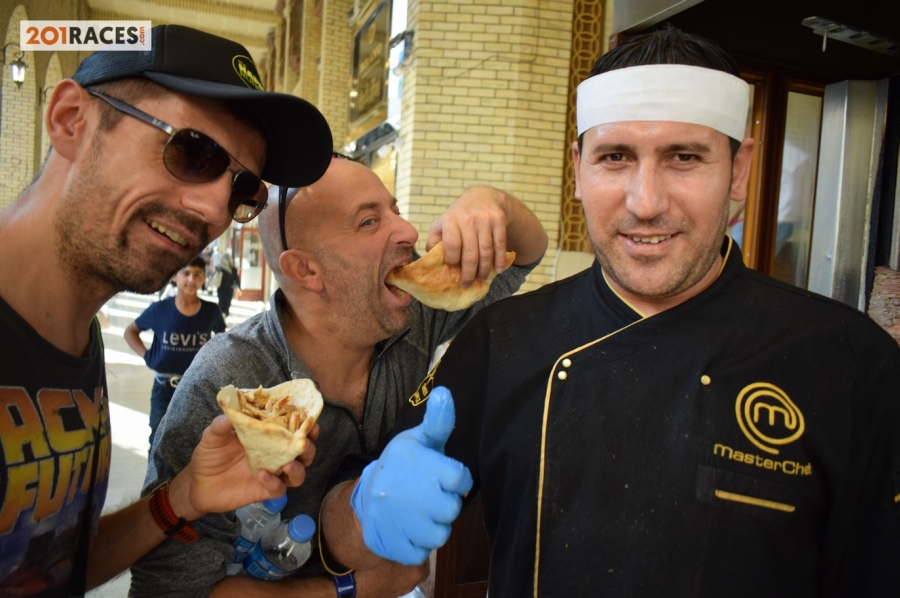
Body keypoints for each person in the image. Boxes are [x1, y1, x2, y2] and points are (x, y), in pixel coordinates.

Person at [321, 27, 900, 596]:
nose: (645, 202)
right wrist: (363, 507)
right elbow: (344, 520)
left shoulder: (853, 362)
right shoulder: (502, 340)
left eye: (684, 157)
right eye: (615, 157)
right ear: (578, 169)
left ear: (740, 169)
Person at [0, 24, 333, 595]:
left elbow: (42, 567)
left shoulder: (75, 339)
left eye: (242, 190)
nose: (215, 209)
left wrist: (181, 497)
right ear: (71, 120)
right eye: (192, 151)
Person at [129, 156, 549, 597]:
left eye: (395, 210)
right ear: (305, 270)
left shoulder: (414, 316)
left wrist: (491, 202)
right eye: (369, 222)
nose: (408, 231)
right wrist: (355, 588)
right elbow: (169, 589)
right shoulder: (228, 382)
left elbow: (527, 254)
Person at [124, 256, 227, 448]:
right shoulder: (159, 310)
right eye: (186, 273)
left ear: (204, 278)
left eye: (197, 274)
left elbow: (222, 338)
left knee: (196, 439)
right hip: (164, 387)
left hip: (197, 387)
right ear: (174, 276)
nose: (191, 279)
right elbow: (130, 331)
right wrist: (147, 356)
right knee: (159, 437)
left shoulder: (211, 311)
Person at [216, 253, 241, 318]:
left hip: (222, 288)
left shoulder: (220, 268)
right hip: (228, 289)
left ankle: (223, 315)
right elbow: (237, 279)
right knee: (226, 303)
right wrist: (239, 287)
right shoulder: (232, 269)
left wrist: (238, 287)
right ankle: (225, 315)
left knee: (222, 302)